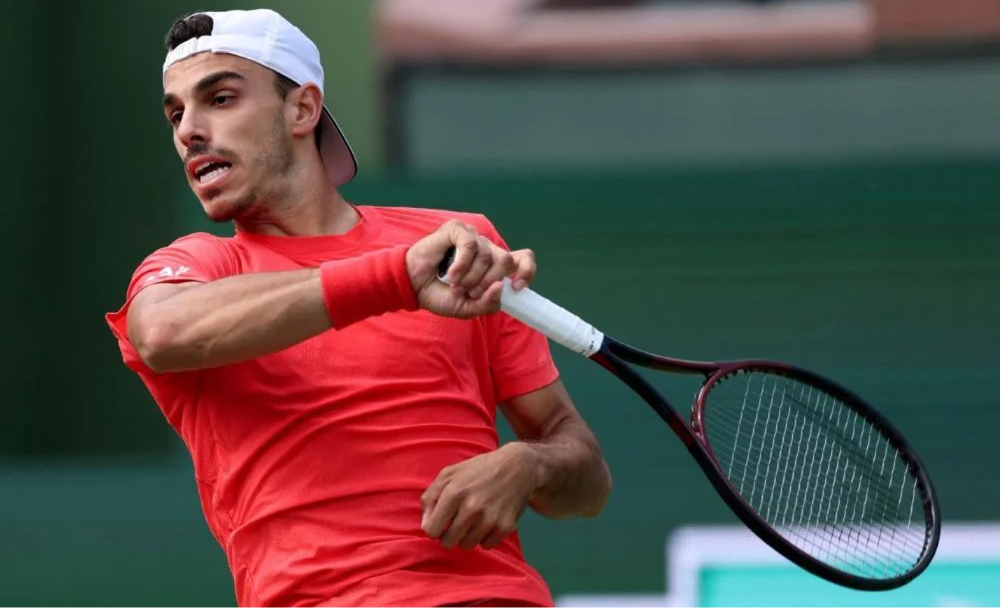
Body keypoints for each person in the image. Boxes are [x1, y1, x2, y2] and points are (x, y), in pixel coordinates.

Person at [104, 9, 612, 608]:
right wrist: (396, 278)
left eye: (220, 98)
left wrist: (527, 465)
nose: (189, 129)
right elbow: (162, 332)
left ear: (302, 109)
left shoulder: (460, 247)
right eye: (176, 113)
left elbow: (587, 481)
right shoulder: (196, 267)